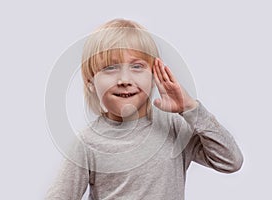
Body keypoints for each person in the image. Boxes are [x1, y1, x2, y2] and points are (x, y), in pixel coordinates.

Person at [45, 19, 243, 200]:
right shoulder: (88, 143)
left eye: (137, 67)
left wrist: (190, 108)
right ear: (90, 82)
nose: (124, 80)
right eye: (110, 68)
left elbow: (230, 161)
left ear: (154, 76)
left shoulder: (173, 126)